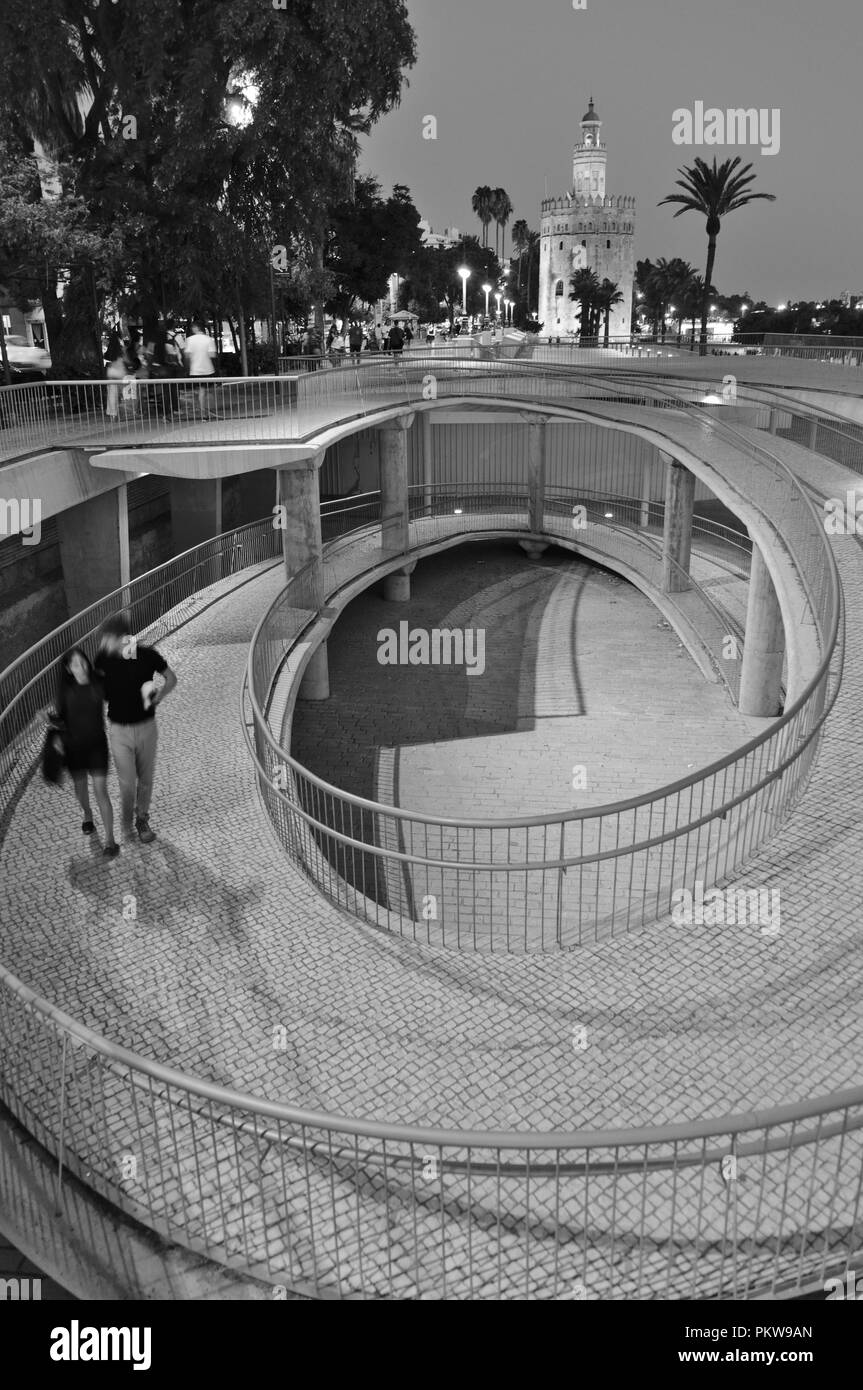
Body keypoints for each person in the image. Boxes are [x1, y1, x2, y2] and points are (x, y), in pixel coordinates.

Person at [95, 614, 178, 844]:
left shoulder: (147, 656)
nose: (103, 643)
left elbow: (171, 678)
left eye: (106, 638)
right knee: (128, 782)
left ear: (119, 638)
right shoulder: (103, 660)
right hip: (119, 730)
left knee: (146, 779)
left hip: (146, 727)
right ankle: (128, 818)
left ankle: (141, 819)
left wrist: (159, 696)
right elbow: (100, 693)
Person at [50, 649, 119, 858]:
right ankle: (87, 814)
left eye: (83, 662)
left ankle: (110, 840)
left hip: (97, 746)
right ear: (68, 669)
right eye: (76, 664)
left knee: (101, 791)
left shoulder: (98, 682)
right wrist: (48, 721)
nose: (82, 667)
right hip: (74, 749)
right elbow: (61, 720)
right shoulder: (65, 691)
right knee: (81, 791)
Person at [183, 320, 217, 416]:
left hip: (195, 369)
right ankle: (209, 410)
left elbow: (187, 355)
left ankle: (203, 413)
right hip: (208, 368)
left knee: (200, 391)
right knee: (209, 391)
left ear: (196, 328)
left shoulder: (189, 340)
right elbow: (212, 355)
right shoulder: (208, 339)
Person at [104, 325, 127, 419]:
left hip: (111, 372)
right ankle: (121, 412)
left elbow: (106, 358)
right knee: (122, 393)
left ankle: (112, 413)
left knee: (111, 393)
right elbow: (125, 359)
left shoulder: (110, 348)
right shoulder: (121, 347)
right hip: (120, 371)